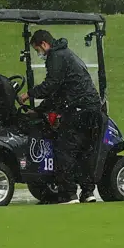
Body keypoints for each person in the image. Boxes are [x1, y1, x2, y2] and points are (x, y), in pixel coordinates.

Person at [26, 29, 103, 203]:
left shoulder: (55, 57)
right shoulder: (68, 54)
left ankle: (69, 193)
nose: (39, 54)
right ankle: (88, 192)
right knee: (86, 151)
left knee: (64, 150)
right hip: (93, 108)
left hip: (77, 109)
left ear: (44, 44)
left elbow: (52, 86)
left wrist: (29, 94)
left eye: (38, 50)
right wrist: (41, 109)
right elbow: (60, 92)